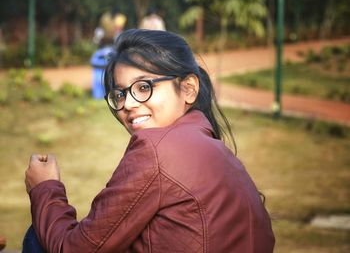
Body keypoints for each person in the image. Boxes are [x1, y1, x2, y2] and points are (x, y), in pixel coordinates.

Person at [24, 29, 275, 252]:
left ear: (188, 89)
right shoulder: (214, 147)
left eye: (144, 87)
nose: (129, 104)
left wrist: (45, 187)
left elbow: (74, 248)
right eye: (120, 93)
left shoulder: (155, 150)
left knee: (38, 237)